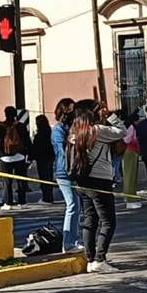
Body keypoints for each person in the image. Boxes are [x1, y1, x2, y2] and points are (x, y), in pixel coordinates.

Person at [68, 100, 127, 272]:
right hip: (100, 180)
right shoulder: (97, 131)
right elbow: (122, 131)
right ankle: (100, 259)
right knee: (108, 221)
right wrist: (110, 116)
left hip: (81, 180)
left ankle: (91, 259)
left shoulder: (74, 133)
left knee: (90, 220)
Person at [51, 98, 82, 252]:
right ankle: (68, 243)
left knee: (76, 205)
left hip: (74, 170)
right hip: (64, 172)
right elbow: (63, 151)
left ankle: (73, 240)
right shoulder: (58, 129)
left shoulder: (72, 127)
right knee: (72, 205)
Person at [0, 106, 30, 207]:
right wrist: (26, 153)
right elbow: (27, 141)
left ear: (5, 114)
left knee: (7, 181)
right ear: (15, 115)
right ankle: (22, 201)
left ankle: (8, 202)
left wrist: (1, 152)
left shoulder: (0, 127)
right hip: (19, 156)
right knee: (21, 179)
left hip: (5, 157)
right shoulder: (21, 126)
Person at [32, 114, 56, 204]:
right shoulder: (50, 132)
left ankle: (46, 198)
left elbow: (36, 147)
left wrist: (32, 156)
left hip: (41, 158)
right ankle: (50, 196)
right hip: (50, 157)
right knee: (49, 177)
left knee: (43, 178)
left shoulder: (39, 135)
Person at [121, 112, 141, 198]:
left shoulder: (129, 126)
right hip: (130, 151)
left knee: (131, 176)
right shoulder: (131, 127)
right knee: (130, 176)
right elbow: (126, 140)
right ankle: (129, 198)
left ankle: (131, 196)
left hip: (132, 152)